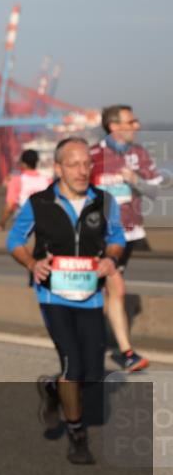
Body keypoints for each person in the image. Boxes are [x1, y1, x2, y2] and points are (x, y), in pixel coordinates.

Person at [7, 137, 125, 465]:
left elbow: (117, 238)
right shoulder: (39, 203)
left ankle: (52, 389)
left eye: (87, 163)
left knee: (92, 373)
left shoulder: (104, 202)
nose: (82, 170)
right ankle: (77, 435)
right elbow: (14, 240)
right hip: (53, 295)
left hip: (91, 296)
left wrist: (111, 259)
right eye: (74, 164)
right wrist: (32, 264)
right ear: (58, 167)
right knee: (72, 365)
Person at [90, 105, 163, 373]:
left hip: (130, 233)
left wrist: (136, 180)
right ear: (114, 126)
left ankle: (96, 341)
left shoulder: (139, 153)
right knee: (116, 287)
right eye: (131, 121)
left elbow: (155, 191)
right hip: (102, 235)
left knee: (106, 289)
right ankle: (125, 352)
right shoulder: (92, 155)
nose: (137, 126)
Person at [0, 149, 52, 230]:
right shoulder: (48, 181)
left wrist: (1, 223)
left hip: (24, 223)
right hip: (45, 222)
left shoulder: (16, 180)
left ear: (23, 164)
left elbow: (10, 206)